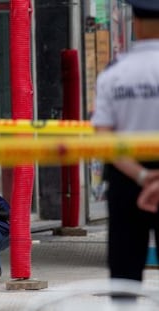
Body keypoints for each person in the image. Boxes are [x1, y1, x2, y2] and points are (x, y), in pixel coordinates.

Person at [91, 0, 159, 282]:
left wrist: (144, 176)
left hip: (126, 179)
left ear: (136, 25)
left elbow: (103, 139)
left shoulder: (114, 73)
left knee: (125, 276)